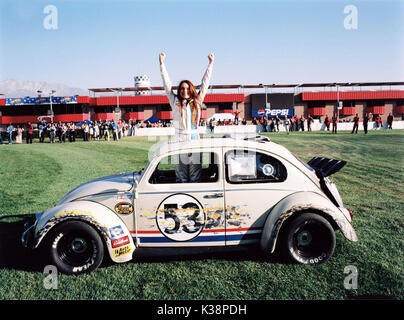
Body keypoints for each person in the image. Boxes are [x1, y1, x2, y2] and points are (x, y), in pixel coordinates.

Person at [159, 51, 214, 183]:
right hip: (179, 139)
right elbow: (167, 85)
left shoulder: (198, 101)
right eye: (182, 88)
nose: (185, 91)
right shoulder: (174, 100)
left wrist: (210, 64)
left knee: (195, 174)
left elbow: (205, 83)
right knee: (181, 175)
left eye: (188, 88)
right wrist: (162, 64)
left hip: (195, 139)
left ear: (191, 90)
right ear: (179, 90)